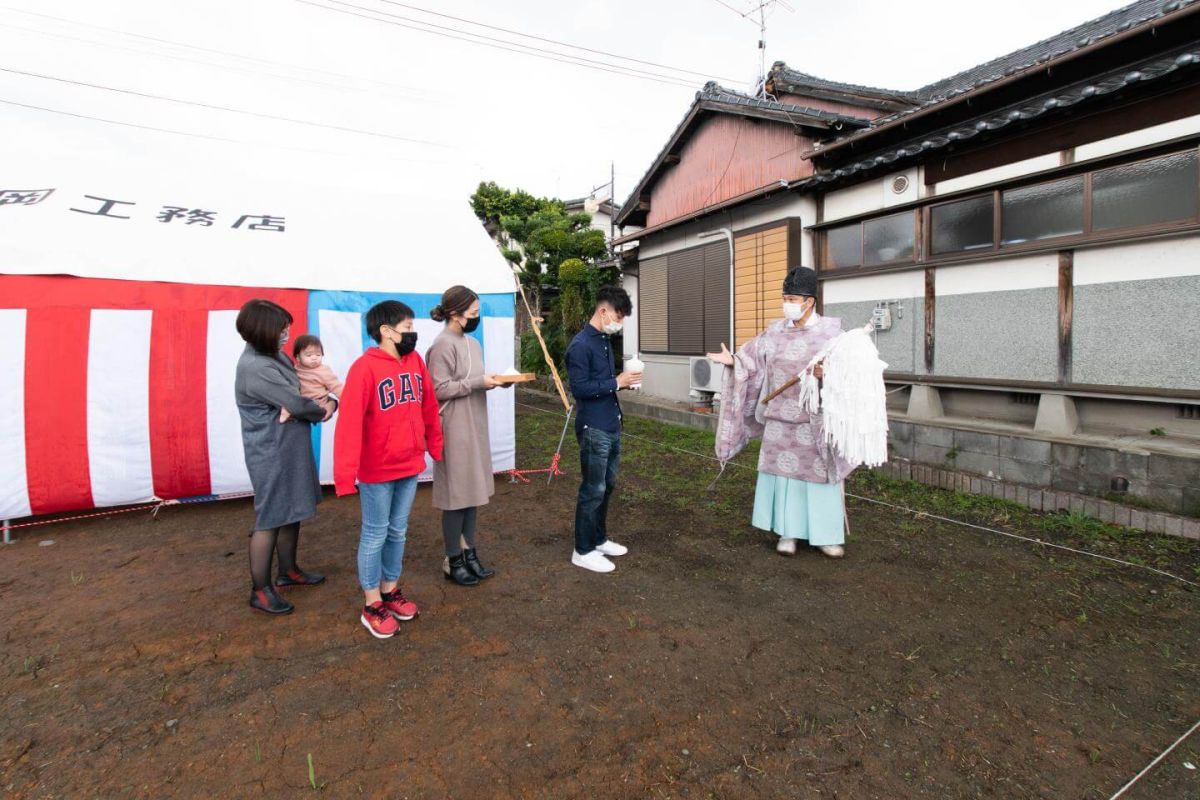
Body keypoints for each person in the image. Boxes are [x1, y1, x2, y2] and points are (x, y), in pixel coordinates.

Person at [708, 266, 851, 559]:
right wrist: (733, 361)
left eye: (792, 298)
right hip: (779, 420)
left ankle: (826, 535)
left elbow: (851, 371)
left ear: (809, 301)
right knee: (784, 477)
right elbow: (751, 361)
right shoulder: (774, 331)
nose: (787, 303)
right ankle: (788, 532)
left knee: (820, 477)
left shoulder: (833, 332)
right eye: (785, 297)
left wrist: (828, 373)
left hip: (814, 418)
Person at [334, 300, 444, 639]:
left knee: (398, 531)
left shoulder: (414, 362)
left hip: (409, 464)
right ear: (386, 331)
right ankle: (371, 603)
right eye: (408, 327)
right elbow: (349, 424)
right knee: (375, 533)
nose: (413, 334)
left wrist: (435, 447)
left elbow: (429, 406)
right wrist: (344, 475)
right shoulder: (363, 369)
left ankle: (390, 589)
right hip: (377, 470)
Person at [234, 299, 333, 616]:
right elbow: (299, 403)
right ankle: (260, 590)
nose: (287, 335)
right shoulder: (257, 368)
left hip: (289, 444)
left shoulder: (270, 354)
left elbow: (300, 395)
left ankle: (287, 571)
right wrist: (329, 405)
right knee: (270, 517)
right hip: (271, 450)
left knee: (292, 509)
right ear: (263, 332)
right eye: (281, 330)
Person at [427, 285, 501, 587]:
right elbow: (438, 389)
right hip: (453, 426)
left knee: (471, 492)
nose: (476, 317)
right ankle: (452, 558)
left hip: (474, 423)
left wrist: (495, 381)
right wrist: (477, 382)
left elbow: (472, 380)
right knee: (456, 496)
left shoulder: (472, 343)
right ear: (455, 314)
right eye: (473, 313)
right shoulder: (443, 344)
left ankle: (470, 552)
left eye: (477, 312)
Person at [564, 286, 642, 574]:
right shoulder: (580, 345)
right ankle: (582, 550)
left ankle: (598, 539)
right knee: (592, 488)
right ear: (603, 311)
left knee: (606, 487)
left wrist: (622, 382)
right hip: (593, 427)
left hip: (611, 424)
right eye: (618, 317)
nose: (619, 323)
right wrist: (616, 382)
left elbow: (608, 382)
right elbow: (580, 389)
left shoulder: (604, 341)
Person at [280, 334, 343, 423]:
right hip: (300, 401)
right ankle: (287, 413)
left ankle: (290, 413)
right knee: (288, 401)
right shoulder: (295, 369)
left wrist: (346, 399)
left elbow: (337, 387)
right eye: (309, 355)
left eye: (318, 355)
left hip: (317, 402)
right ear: (298, 357)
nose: (314, 358)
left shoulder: (324, 371)